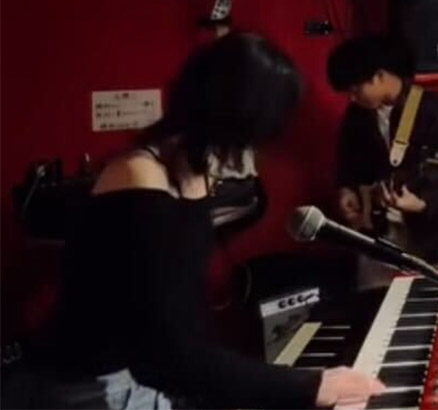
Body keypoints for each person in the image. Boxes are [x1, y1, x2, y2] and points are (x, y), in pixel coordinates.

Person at [8, 34, 383, 409]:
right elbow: (164, 359)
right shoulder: (139, 176)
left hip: (138, 377)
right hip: (86, 386)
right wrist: (309, 385)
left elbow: (179, 337)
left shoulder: (190, 173)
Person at [327, 35, 438, 283]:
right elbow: (347, 163)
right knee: (373, 301)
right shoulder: (356, 115)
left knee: (428, 300)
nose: (352, 97)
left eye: (356, 89)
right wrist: (346, 190)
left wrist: (422, 203)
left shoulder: (433, 109)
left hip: (428, 238)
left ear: (380, 76)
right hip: (376, 236)